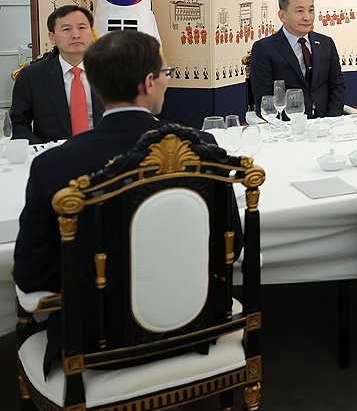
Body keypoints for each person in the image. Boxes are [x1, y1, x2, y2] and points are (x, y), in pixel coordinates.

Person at [12, 30, 224, 376]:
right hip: (195, 321)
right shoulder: (199, 146)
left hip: (96, 338)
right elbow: (230, 243)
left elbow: (32, 273)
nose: (167, 84)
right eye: (166, 74)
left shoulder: (54, 164)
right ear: (149, 82)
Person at [10, 4, 103, 144]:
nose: (76, 35)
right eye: (66, 29)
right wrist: (45, 151)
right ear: (52, 37)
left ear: (91, 34)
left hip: (106, 154)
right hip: (52, 154)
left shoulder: (112, 71)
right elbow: (18, 125)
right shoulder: (31, 76)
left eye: (82, 28)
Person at [250, 0, 345, 117]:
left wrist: (330, 120)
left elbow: (337, 86)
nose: (307, 17)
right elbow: (264, 98)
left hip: (325, 123)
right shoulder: (264, 49)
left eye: (311, 10)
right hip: (286, 126)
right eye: (300, 11)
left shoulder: (326, 43)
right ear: (282, 16)